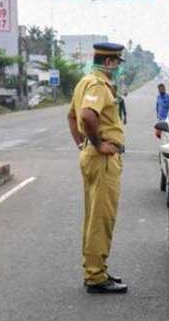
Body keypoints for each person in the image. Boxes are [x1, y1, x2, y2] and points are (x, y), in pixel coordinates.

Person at [67, 42, 128, 294]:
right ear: (110, 62)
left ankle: (94, 269)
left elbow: (71, 116)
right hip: (102, 159)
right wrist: (97, 144)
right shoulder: (97, 85)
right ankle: (95, 276)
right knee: (101, 218)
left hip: (92, 155)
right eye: (117, 63)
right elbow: (87, 116)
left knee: (94, 216)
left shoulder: (84, 81)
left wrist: (82, 143)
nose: (117, 68)